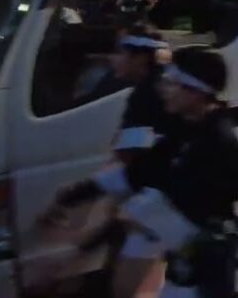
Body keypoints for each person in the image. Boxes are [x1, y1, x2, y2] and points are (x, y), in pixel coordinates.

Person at [39, 46, 238, 298]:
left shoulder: (217, 142)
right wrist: (73, 195)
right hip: (183, 275)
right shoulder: (183, 131)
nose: (164, 89)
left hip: (206, 278)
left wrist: (77, 252)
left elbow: (155, 209)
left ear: (196, 92)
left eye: (173, 83)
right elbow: (138, 174)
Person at [104, 25, 173, 298]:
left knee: (129, 288)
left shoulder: (145, 95)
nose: (114, 59)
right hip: (163, 202)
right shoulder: (163, 86)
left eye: (121, 53)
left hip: (154, 205)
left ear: (141, 58)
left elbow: (128, 154)